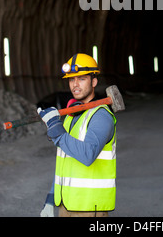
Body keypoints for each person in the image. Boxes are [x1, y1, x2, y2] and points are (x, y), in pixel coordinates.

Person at [38, 53, 117, 217]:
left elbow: (88, 155)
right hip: (66, 206)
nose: (75, 84)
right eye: (71, 79)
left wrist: (57, 131)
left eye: (82, 79)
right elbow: (64, 166)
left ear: (94, 82)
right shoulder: (70, 118)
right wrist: (50, 200)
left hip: (89, 208)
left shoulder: (101, 116)